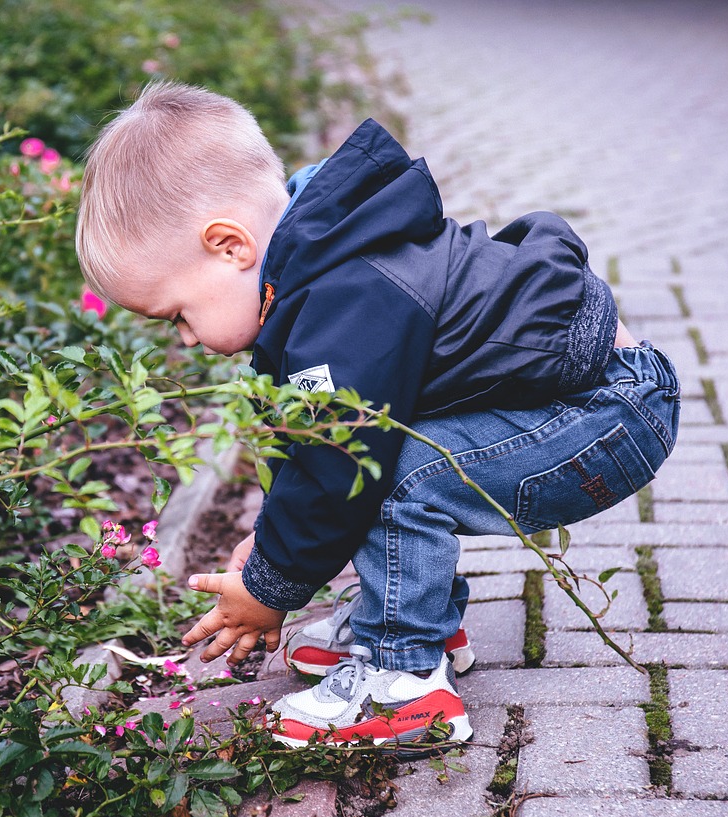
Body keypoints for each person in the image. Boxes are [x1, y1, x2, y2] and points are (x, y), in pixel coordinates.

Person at [75, 81, 679, 750]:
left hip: (605, 417)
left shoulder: (344, 296)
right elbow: (311, 442)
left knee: (386, 474)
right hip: (585, 402)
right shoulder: (320, 261)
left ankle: (403, 682)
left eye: (178, 316)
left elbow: (340, 468)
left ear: (229, 246)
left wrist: (270, 586)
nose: (185, 339)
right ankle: (410, 620)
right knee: (383, 457)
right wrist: (271, 543)